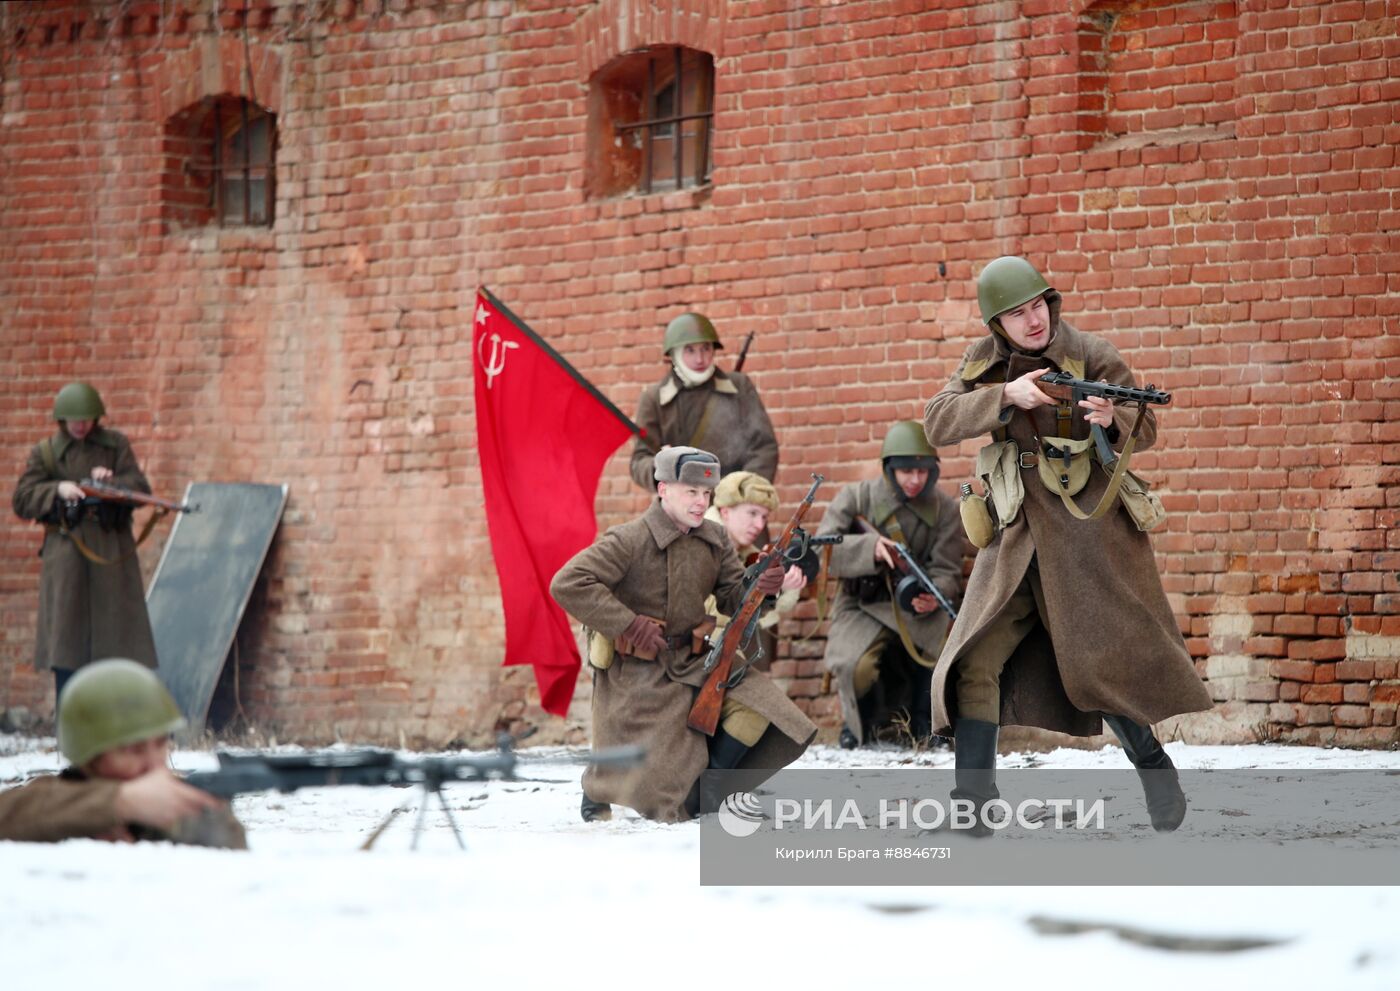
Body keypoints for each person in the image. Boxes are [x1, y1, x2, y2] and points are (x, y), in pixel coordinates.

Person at [923, 256, 1213, 833]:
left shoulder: (1092, 353)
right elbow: (937, 420)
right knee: (972, 661)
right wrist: (1007, 396)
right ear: (996, 325)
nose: (1032, 322)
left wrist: (1111, 417)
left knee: (1094, 668)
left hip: (1083, 536)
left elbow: (1145, 424)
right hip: (1014, 541)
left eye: (1037, 307)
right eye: (1016, 315)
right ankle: (973, 806)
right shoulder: (986, 364)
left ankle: (1155, 769)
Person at [552, 447, 816, 822]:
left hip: (697, 663)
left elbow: (731, 599)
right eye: (691, 491)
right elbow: (568, 582)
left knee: (766, 711)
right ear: (663, 489)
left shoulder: (716, 539)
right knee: (662, 798)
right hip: (639, 676)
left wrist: (763, 586)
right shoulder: (629, 540)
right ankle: (598, 789)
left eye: (706, 494)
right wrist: (628, 624)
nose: (700, 501)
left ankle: (710, 795)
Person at [816, 421, 964, 749]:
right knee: (853, 666)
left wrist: (936, 594)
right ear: (889, 469)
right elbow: (820, 549)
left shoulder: (945, 510)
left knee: (942, 652)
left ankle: (929, 726)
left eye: (923, 471)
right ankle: (860, 726)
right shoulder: (857, 498)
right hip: (862, 603)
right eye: (906, 471)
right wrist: (867, 550)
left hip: (914, 606)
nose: (915, 480)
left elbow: (947, 570)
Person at [0, 658, 246, 848]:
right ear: (89, 756)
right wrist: (120, 803)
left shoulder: (181, 805)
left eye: (160, 744)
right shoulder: (52, 799)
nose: (154, 764)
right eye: (134, 750)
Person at [11, 383, 159, 699]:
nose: (80, 425)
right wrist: (58, 489)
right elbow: (22, 499)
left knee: (115, 642)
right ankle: (71, 726)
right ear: (61, 419)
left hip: (110, 552)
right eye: (74, 420)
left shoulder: (115, 446)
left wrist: (110, 483)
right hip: (67, 556)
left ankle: (116, 728)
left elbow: (139, 488)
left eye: (87, 419)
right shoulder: (46, 453)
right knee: (67, 644)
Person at [628, 313, 779, 491]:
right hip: (680, 504)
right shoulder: (654, 398)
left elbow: (763, 448)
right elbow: (639, 461)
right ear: (674, 353)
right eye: (690, 350)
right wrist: (660, 466)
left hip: (731, 502)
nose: (700, 358)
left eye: (705, 348)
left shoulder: (739, 386)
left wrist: (743, 491)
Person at [703, 471, 807, 673]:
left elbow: (757, 617)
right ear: (725, 512)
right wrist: (762, 589)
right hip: (696, 658)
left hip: (726, 656)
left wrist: (779, 587)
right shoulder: (703, 545)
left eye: (764, 517)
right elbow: (717, 613)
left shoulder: (748, 554)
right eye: (752, 513)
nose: (760, 525)